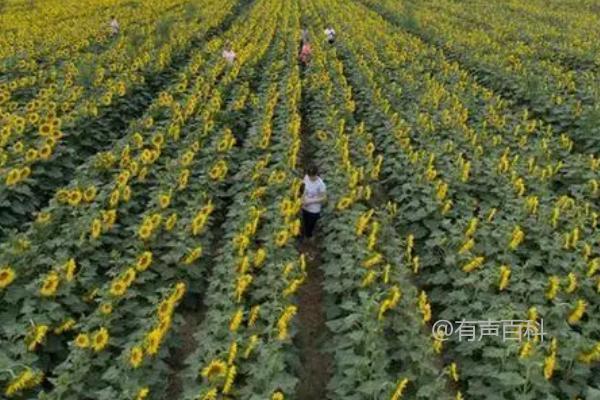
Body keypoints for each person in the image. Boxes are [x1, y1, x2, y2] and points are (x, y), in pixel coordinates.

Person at [301, 165, 327, 239]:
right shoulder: (306, 177)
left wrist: (311, 201)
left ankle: (309, 236)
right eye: (310, 176)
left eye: (312, 176)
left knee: (311, 224)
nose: (310, 178)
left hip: (314, 209)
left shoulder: (321, 184)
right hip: (305, 206)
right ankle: (305, 234)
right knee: (305, 221)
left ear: (316, 174)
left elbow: (323, 198)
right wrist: (303, 197)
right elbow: (304, 188)